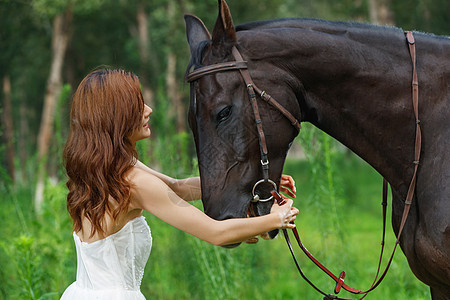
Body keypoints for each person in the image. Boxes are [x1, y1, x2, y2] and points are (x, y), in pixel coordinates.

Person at [60, 69, 299, 299]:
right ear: (115, 117)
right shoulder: (134, 183)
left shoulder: (105, 170)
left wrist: (252, 181)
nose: (148, 110)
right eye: (136, 105)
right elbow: (216, 233)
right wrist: (276, 218)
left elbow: (177, 187)